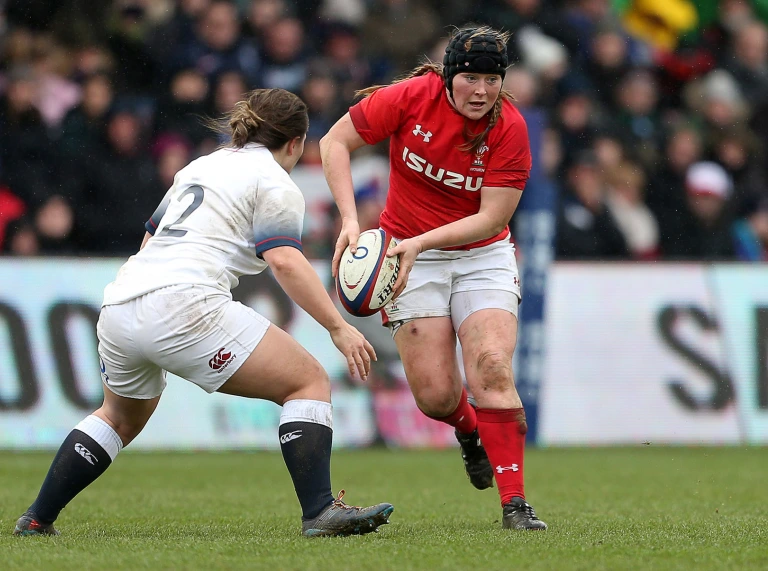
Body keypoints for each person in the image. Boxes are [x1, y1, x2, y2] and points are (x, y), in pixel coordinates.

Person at [13, 88, 393, 538]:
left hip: (120, 301)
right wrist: (339, 327)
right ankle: (319, 511)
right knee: (308, 382)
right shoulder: (275, 182)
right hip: (185, 303)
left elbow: (148, 241)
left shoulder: (199, 166)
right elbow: (286, 261)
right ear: (295, 142)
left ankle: (37, 517)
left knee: (118, 417)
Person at [320, 25, 547, 530]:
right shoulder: (410, 98)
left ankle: (516, 505)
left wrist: (423, 242)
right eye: (470, 77)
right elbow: (334, 141)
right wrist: (351, 220)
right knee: (436, 397)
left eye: (492, 79)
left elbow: (492, 218)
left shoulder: (509, 127)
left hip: (478, 255)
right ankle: (469, 432)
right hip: (407, 253)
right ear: (448, 76)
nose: (481, 91)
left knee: (490, 367)